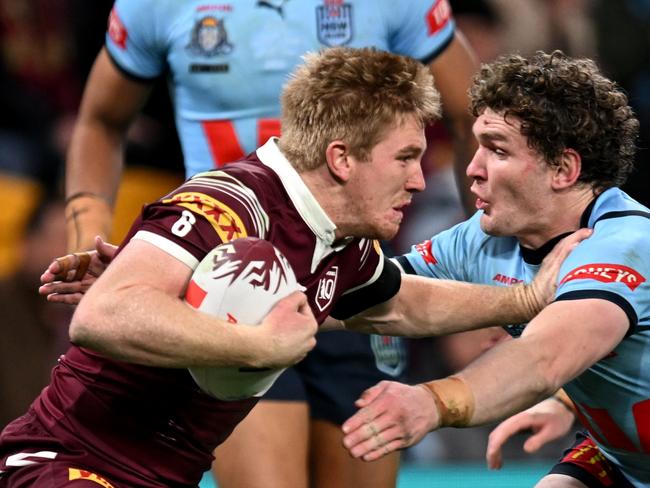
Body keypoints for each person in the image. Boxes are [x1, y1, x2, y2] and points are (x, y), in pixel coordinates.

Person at [1, 47, 583, 487]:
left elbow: (400, 302)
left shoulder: (339, 241)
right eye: (405, 157)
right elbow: (101, 316)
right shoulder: (230, 205)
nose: (417, 180)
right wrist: (259, 347)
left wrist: (526, 299)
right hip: (69, 464)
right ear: (341, 159)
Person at [62, 1, 480, 486]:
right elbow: (100, 121)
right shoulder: (154, 5)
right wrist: (86, 238)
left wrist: (498, 261)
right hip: (231, 290)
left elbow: (469, 115)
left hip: (346, 273)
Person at [340, 50, 648, 488]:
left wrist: (432, 402)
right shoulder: (482, 237)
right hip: (624, 460)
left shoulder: (624, 247)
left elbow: (545, 357)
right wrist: (266, 305)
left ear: (563, 169)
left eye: (497, 150)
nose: (472, 169)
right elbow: (379, 295)